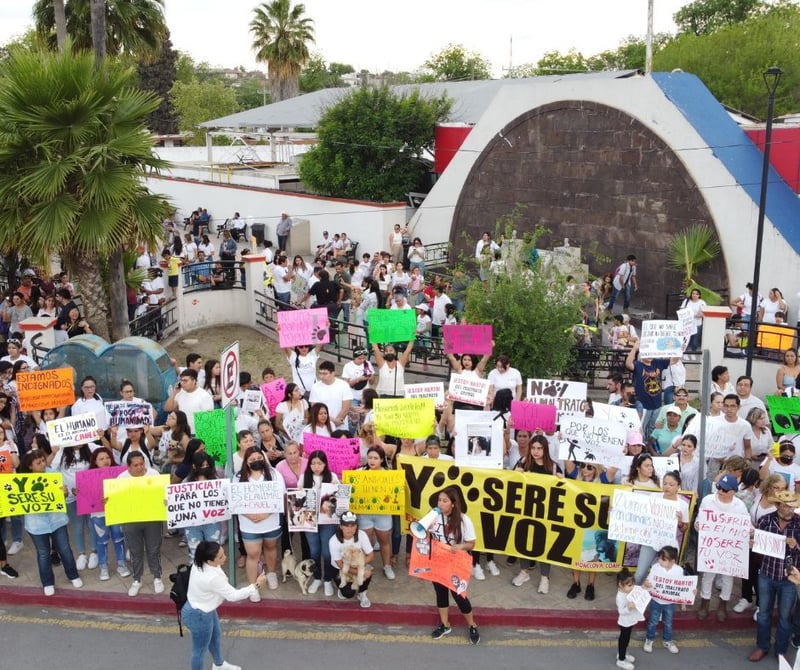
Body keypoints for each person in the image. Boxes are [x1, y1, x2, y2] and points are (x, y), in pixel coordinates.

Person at [183, 540, 266, 670]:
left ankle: (219, 665)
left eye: (223, 553)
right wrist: (256, 585)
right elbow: (233, 596)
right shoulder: (212, 578)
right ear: (210, 561)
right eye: (220, 557)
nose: (225, 557)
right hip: (199, 615)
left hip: (205, 609)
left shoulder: (200, 562)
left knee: (215, 636)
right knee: (199, 651)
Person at [18, 449, 83, 596]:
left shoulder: (54, 474)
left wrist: (65, 493)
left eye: (43, 460)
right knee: (43, 554)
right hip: (36, 524)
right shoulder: (23, 480)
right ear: (30, 466)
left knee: (65, 549)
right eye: (38, 462)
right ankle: (47, 582)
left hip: (57, 520)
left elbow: (65, 495)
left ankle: (73, 575)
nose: (42, 464)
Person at [749, 490, 800, 662]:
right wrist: (753, 543)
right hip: (766, 574)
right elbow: (758, 545)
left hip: (790, 579)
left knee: (785, 617)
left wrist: (796, 546)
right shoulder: (765, 520)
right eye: (786, 506)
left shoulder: (799, 524)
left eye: (793, 506)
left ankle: (780, 650)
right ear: (777, 505)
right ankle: (762, 646)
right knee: (764, 614)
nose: (791, 510)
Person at [428, 486, 481, 644]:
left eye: (445, 501)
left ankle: (472, 625)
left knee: (459, 595)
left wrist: (460, 547)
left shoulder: (464, 520)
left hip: (456, 562)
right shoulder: (433, 516)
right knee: (440, 593)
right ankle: (445, 625)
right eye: (439, 500)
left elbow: (472, 544)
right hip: (438, 561)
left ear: (453, 504)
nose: (441, 503)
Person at [695, 473, 749, 621]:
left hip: (730, 549)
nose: (720, 491)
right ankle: (704, 602)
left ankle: (723, 604)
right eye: (719, 487)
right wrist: (698, 525)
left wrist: (749, 532)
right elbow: (699, 519)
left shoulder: (740, 506)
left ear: (733, 491)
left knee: (727, 577)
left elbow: (746, 525)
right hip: (711, 546)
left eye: (725, 489)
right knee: (708, 575)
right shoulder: (708, 500)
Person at [237, 446, 285, 595]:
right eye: (252, 459)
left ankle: (271, 574)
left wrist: (266, 514)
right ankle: (253, 587)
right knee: (253, 554)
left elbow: (281, 496)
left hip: (271, 521)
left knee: (271, 548)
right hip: (248, 524)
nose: (256, 461)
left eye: (259, 458)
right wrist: (249, 515)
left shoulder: (275, 474)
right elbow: (235, 500)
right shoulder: (238, 477)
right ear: (246, 462)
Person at [118, 452, 164, 596]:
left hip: (152, 519)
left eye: (141, 464)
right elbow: (115, 499)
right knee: (135, 551)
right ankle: (137, 579)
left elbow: (163, 494)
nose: (139, 468)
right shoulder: (121, 479)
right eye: (136, 465)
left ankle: (157, 577)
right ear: (129, 467)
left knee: (154, 550)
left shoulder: (154, 474)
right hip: (131, 521)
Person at [633, 471, 689, 586]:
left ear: (678, 486)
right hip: (650, 541)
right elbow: (640, 514)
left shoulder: (682, 505)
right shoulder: (654, 497)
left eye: (671, 485)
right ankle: (633, 600)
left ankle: (654, 600)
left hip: (668, 546)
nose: (667, 487)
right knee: (639, 574)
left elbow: (685, 529)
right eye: (665, 483)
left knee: (660, 576)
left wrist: (679, 523)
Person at [87, 447, 130, 580]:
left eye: (107, 457)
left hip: (116, 512)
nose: (105, 461)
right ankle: (103, 567)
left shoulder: (120, 474)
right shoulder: (88, 476)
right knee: (102, 540)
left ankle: (121, 564)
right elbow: (86, 497)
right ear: (95, 461)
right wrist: (78, 492)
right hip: (98, 515)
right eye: (101, 458)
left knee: (119, 537)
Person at [303, 450, 340, 596]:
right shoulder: (304, 478)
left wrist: (337, 487)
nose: (316, 466)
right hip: (310, 521)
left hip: (328, 521)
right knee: (314, 551)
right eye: (313, 463)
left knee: (327, 551)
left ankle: (328, 580)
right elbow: (298, 500)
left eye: (319, 463)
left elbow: (338, 498)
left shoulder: (332, 477)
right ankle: (317, 578)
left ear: (325, 464)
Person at [329, 511, 374, 608]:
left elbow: (371, 555)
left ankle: (362, 593)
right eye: (346, 526)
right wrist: (358, 571)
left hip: (357, 564)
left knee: (367, 572)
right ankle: (342, 589)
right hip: (340, 568)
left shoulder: (361, 535)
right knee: (348, 593)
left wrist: (360, 564)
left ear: (356, 526)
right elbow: (340, 564)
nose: (350, 529)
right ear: (341, 526)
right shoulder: (333, 541)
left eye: (353, 525)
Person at [642, 545, 682, 655]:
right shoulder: (655, 567)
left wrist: (691, 592)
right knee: (653, 621)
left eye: (663, 559)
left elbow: (683, 587)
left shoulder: (679, 571)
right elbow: (648, 581)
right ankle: (649, 639)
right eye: (659, 558)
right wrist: (646, 584)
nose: (659, 560)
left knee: (668, 622)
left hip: (669, 603)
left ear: (672, 561)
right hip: (656, 600)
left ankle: (667, 641)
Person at [163, 368, 214, 434]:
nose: (182, 383)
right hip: (181, 431)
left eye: (185, 381)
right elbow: (167, 408)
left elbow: (208, 419)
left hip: (196, 433)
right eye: (181, 380)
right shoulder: (180, 392)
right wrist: (174, 393)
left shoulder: (204, 396)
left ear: (194, 381)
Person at [615, 568, 642, 670]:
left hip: (630, 621)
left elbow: (638, 591)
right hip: (624, 622)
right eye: (629, 585)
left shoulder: (628, 591)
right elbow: (621, 612)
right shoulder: (620, 597)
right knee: (624, 639)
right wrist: (629, 608)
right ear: (620, 585)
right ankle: (621, 660)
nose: (632, 587)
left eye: (633, 584)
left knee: (626, 639)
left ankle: (623, 653)